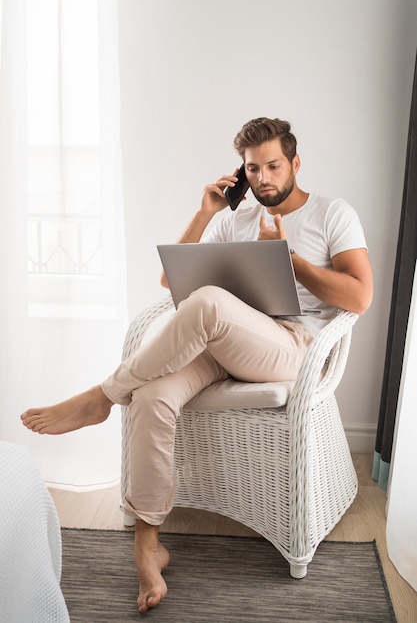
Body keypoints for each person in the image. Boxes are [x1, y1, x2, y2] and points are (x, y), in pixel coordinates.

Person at [21, 117, 373, 614]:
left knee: (207, 302)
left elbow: (360, 297)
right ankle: (149, 546)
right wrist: (206, 212)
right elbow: (171, 281)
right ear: (242, 171)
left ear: (295, 163)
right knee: (151, 394)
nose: (263, 178)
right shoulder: (237, 217)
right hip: (227, 340)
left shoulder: (332, 213)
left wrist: (293, 263)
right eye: (253, 169)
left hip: (294, 346)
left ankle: (102, 396)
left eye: (273, 165)